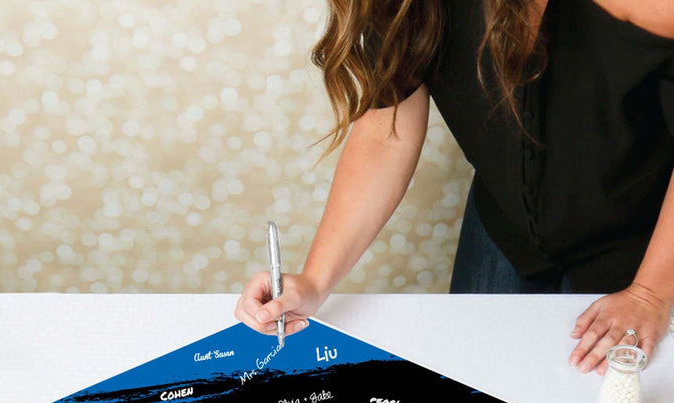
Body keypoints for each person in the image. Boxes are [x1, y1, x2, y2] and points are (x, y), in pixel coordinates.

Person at [235, 0, 674, 375]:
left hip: (648, 245)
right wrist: (315, 279)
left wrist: (650, 294)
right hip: (508, 225)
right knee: (477, 390)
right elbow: (388, 129)